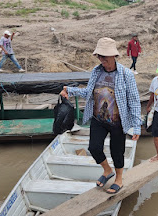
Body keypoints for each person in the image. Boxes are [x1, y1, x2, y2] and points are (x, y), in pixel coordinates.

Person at [60, 37, 141, 194]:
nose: (101, 59)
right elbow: (87, 93)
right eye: (99, 56)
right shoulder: (96, 72)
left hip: (118, 121)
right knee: (94, 148)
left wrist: (137, 125)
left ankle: (118, 179)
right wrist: (69, 90)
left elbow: (134, 101)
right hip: (99, 118)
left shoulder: (126, 74)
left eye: (104, 56)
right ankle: (106, 170)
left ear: (113, 56)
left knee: (117, 151)